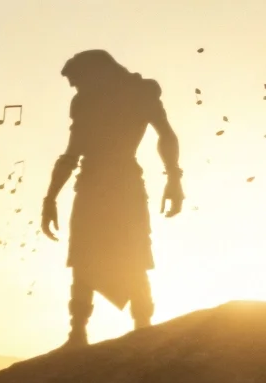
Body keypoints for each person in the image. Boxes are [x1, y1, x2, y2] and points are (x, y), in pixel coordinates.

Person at [41, 49, 184, 348]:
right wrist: (49, 198)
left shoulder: (137, 93)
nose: (74, 87)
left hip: (113, 184)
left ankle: (138, 326)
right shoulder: (93, 100)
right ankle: (80, 332)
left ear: (95, 73)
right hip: (101, 184)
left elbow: (166, 135)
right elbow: (72, 154)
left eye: (76, 80)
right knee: (89, 255)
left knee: (129, 252)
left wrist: (174, 177)